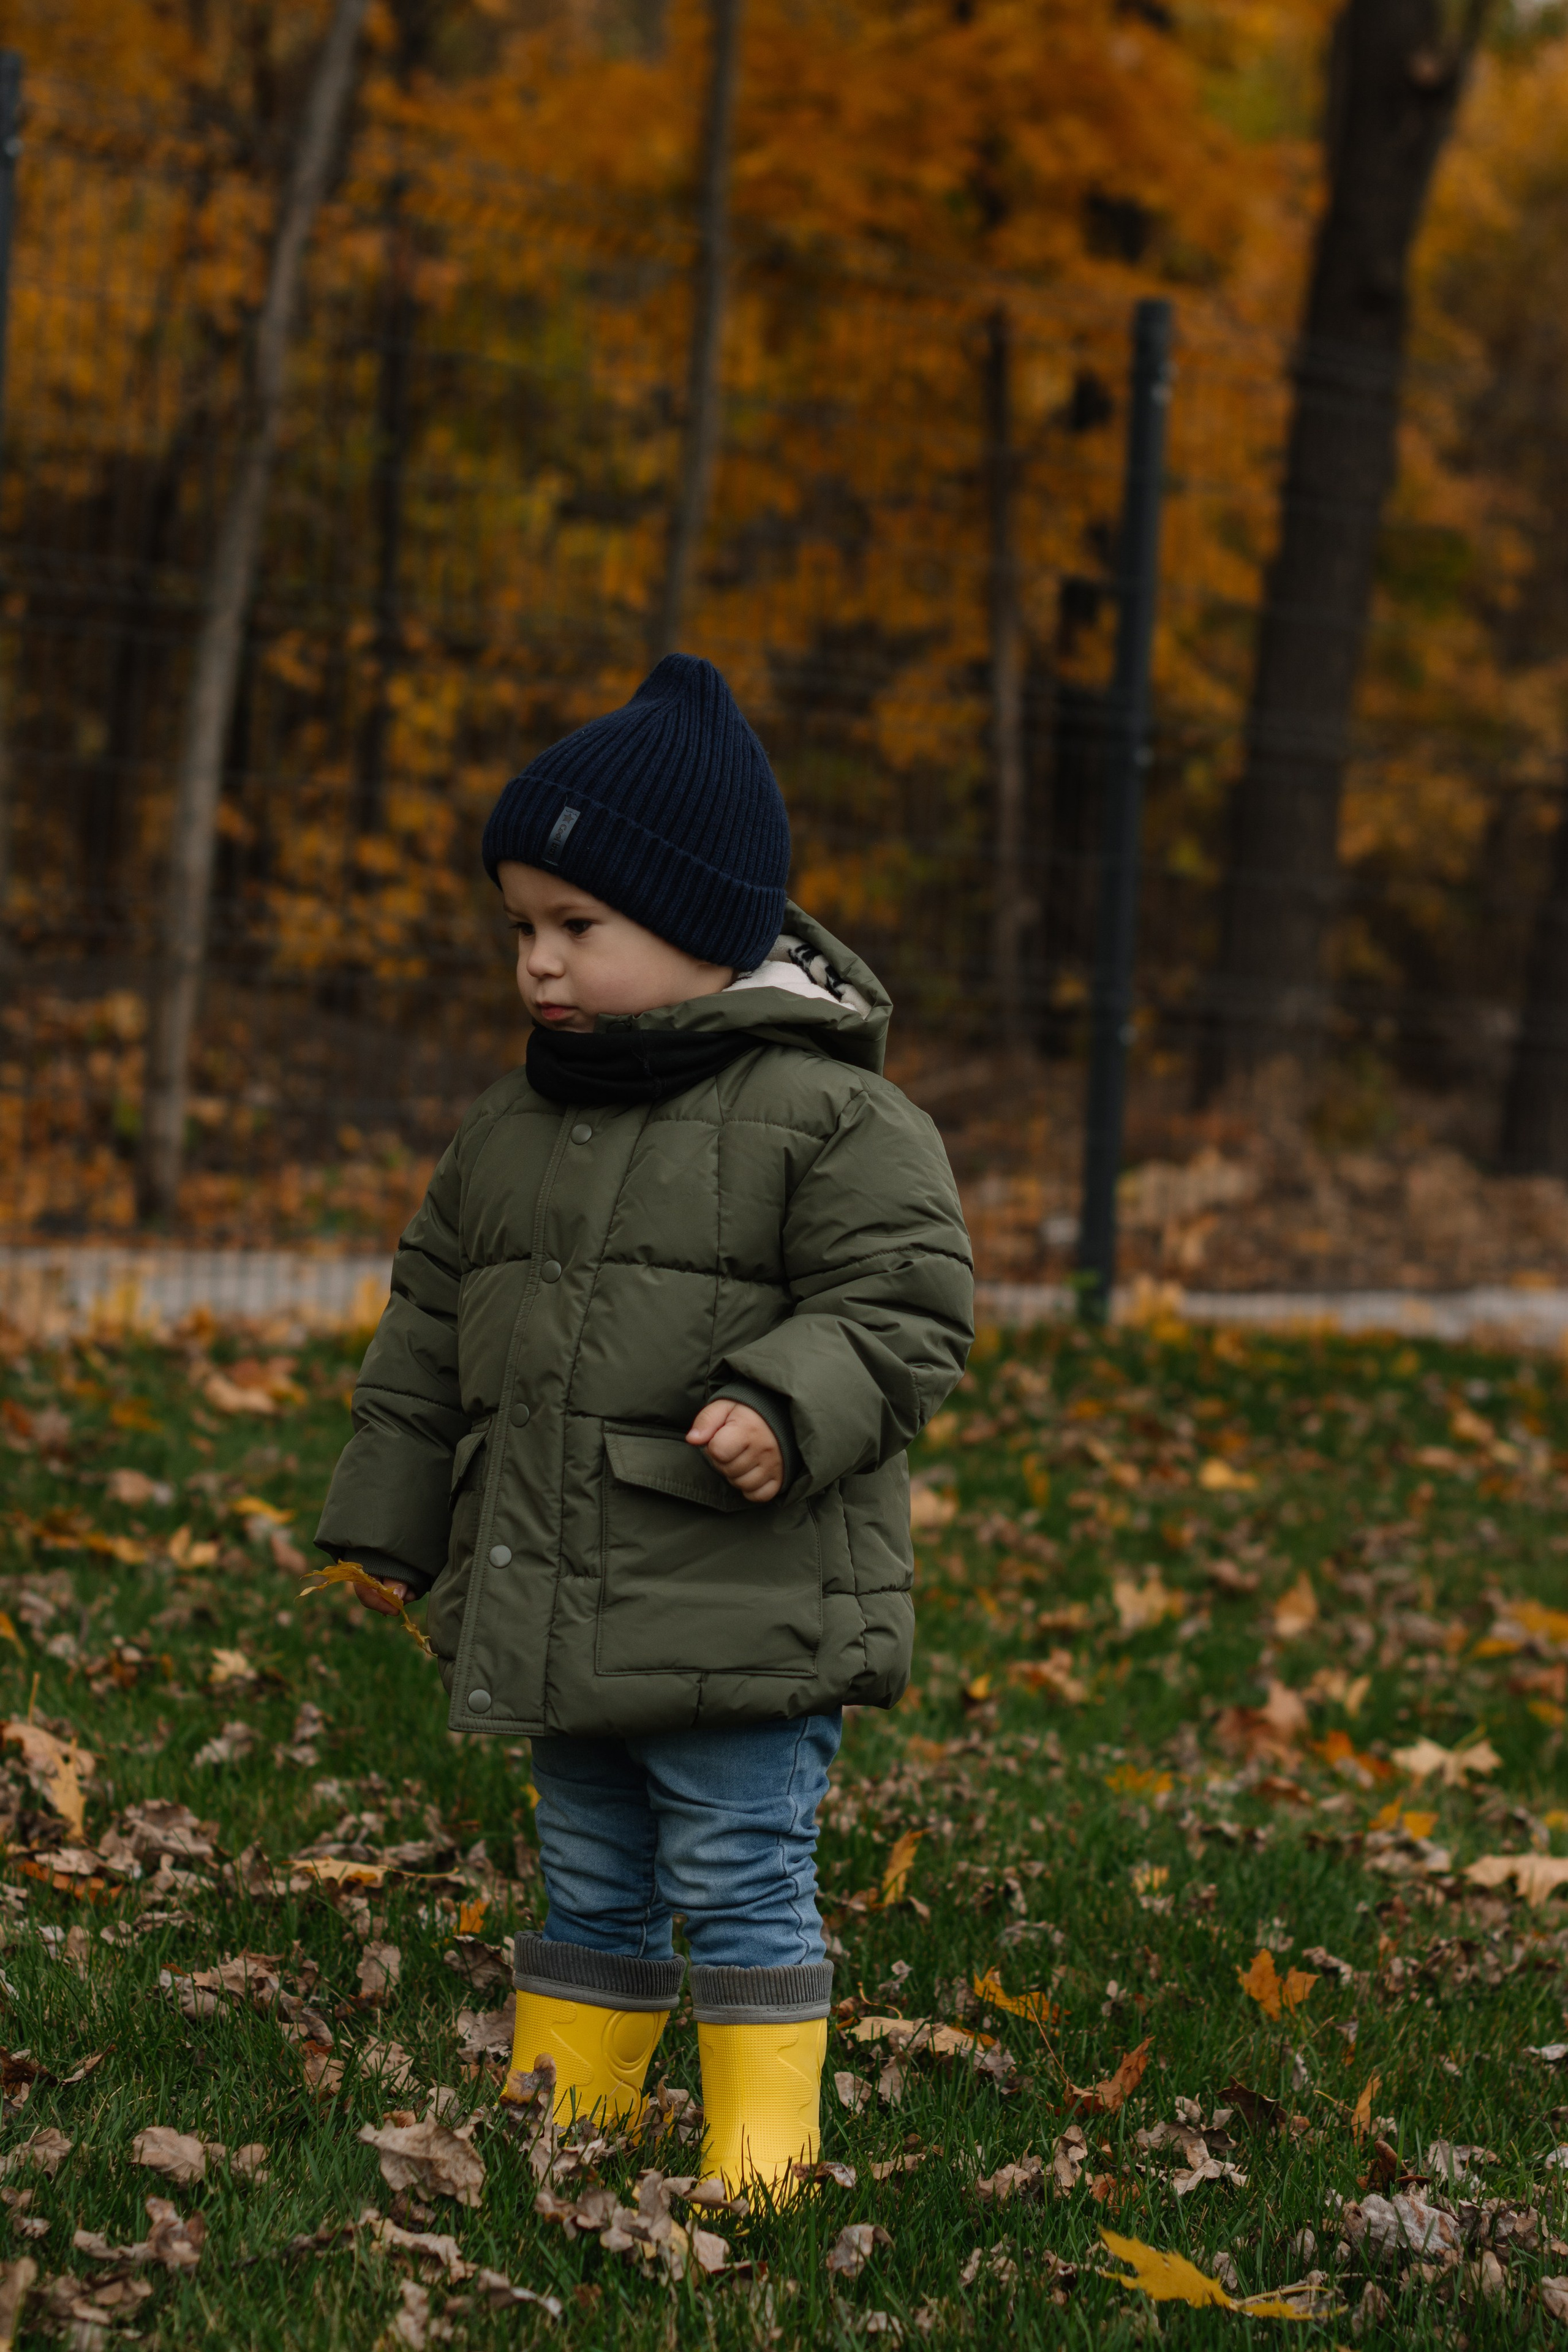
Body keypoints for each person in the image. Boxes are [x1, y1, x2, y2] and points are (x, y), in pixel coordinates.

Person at [315, 653, 973, 2196]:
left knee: (742, 1866)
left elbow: (906, 1308)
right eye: (520, 930)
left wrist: (779, 1400)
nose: (537, 964)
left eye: (576, 927)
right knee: (590, 1864)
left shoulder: (834, 1118)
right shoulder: (511, 1125)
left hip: (740, 1590)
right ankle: (572, 2122)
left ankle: (762, 2154)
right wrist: (393, 1514)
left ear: (701, 924)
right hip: (560, 1590)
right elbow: (428, 1331)